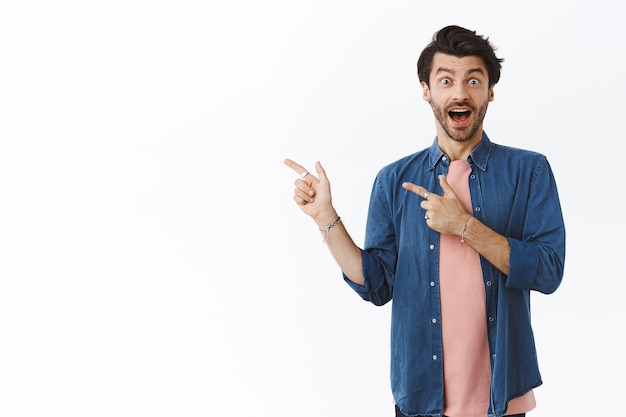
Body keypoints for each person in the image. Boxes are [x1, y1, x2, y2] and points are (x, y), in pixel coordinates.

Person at [284, 25, 565, 417]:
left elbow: (549, 271)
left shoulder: (529, 171)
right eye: (445, 80)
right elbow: (377, 284)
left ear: (490, 91)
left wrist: (464, 225)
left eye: (473, 80)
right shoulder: (394, 181)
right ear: (426, 90)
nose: (460, 92)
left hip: (503, 396)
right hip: (420, 396)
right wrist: (326, 218)